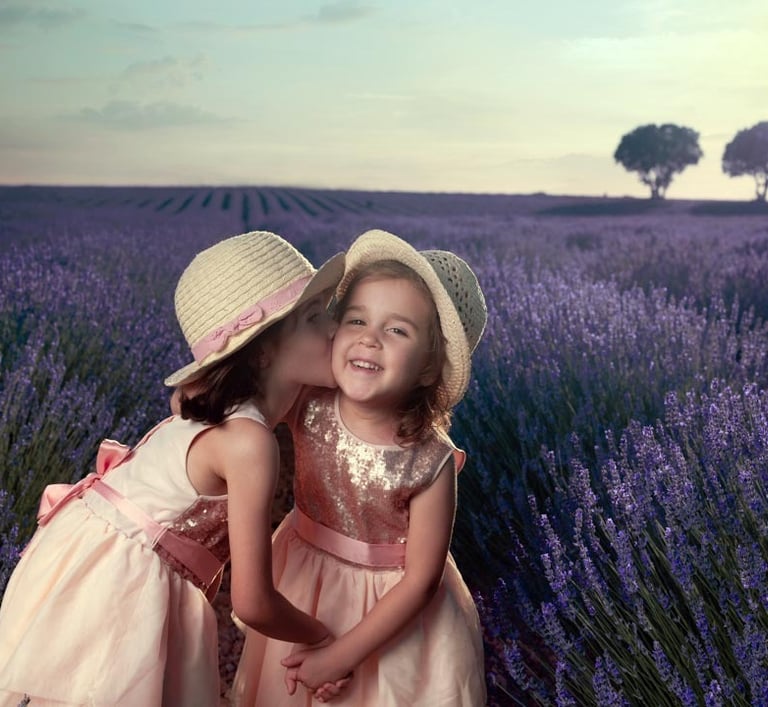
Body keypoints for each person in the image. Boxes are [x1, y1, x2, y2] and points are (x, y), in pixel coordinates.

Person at [0, 231, 349, 707]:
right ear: (263, 350)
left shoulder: (225, 409)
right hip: (122, 592)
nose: (335, 329)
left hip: (92, 558)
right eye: (314, 318)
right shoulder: (248, 443)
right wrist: (326, 640)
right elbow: (252, 602)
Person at [231, 229, 488, 706]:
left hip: (392, 613)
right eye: (356, 320)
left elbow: (420, 583)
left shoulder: (431, 461)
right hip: (306, 584)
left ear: (429, 367)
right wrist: (200, 392)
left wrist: (339, 655)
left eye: (397, 330)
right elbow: (245, 395)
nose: (370, 339)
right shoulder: (309, 400)